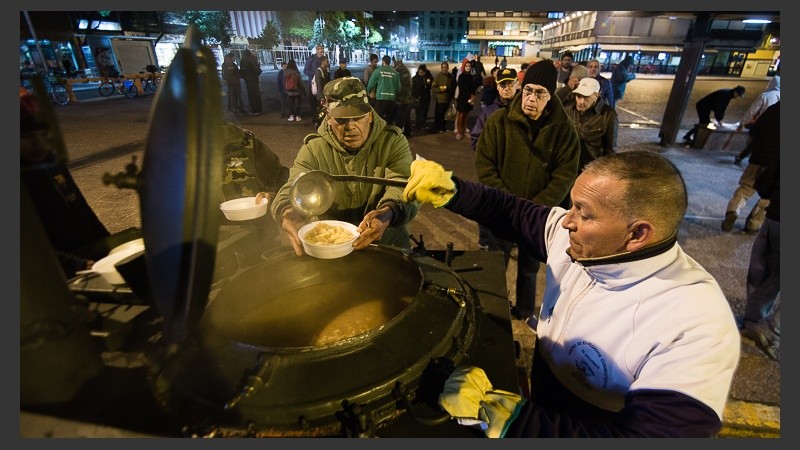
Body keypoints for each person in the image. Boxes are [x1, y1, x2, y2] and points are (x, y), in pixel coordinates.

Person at [401, 151, 741, 437]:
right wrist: (453, 190)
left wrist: (514, 422)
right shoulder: (586, 242)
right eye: (572, 207)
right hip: (545, 393)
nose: (566, 222)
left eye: (584, 213)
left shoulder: (698, 325)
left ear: (637, 233)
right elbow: (513, 213)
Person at [473, 59, 580, 323]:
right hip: (501, 210)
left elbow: (564, 176)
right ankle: (490, 308)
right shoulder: (499, 121)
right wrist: (507, 202)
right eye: (528, 90)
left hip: (536, 215)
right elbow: (485, 165)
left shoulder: (563, 131)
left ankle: (523, 310)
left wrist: (534, 208)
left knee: (530, 267)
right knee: (495, 262)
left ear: (550, 95)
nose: (531, 98)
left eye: (540, 93)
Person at [269, 77, 418, 256]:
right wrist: (286, 209)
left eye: (358, 117)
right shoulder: (314, 149)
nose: (351, 127)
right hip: (331, 248)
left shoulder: (392, 142)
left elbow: (403, 183)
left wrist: (387, 213)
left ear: (370, 115)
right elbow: (295, 184)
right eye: (341, 119)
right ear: (329, 118)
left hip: (387, 244)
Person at [740, 150, 780, 361]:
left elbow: (764, 183)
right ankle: (771, 330)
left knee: (765, 272)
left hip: (775, 219)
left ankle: (752, 321)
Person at [721, 101, 779, 234]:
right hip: (777, 165)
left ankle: (733, 210)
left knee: (746, 187)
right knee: (767, 197)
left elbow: (754, 131)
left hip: (759, 157)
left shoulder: (774, 109)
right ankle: (753, 225)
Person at [563, 78, 619, 171]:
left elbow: (610, 149)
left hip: (592, 168)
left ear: (596, 96)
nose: (581, 101)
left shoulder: (608, 115)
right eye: (578, 96)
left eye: (586, 97)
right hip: (570, 166)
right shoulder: (568, 110)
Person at [734, 74, 779, 165]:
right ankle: (742, 157)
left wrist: (742, 123)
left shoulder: (766, 95)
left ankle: (743, 158)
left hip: (764, 125)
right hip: (777, 128)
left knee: (756, 142)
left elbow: (752, 111)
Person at [682, 85, 746, 146]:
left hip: (706, 107)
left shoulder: (728, 95)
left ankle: (689, 136)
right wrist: (719, 119)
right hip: (702, 106)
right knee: (704, 123)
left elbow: (723, 108)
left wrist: (720, 119)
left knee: (704, 122)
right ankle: (693, 138)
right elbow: (717, 107)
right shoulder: (725, 94)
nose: (737, 97)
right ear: (736, 92)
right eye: (738, 95)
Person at [367, 55, 400, 124]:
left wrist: (368, 91)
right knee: (389, 120)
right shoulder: (395, 73)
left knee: (378, 120)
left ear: (383, 61)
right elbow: (398, 88)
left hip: (380, 99)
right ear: (390, 62)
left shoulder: (378, 71)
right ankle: (389, 133)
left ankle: (380, 133)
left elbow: (371, 84)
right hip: (391, 99)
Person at [454, 59, 477, 140]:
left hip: (469, 99)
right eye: (466, 66)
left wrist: (473, 96)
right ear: (464, 67)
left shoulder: (471, 77)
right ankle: (459, 132)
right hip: (462, 99)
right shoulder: (461, 76)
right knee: (461, 115)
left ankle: (464, 131)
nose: (468, 67)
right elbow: (462, 88)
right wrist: (469, 97)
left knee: (466, 116)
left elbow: (473, 88)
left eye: (469, 66)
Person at [430, 61, 454, 133]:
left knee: (446, 115)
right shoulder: (438, 76)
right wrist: (440, 89)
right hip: (440, 99)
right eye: (443, 67)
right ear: (441, 68)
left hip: (448, 98)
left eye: (445, 67)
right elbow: (433, 87)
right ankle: (439, 128)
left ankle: (443, 127)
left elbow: (452, 86)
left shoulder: (450, 76)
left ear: (448, 68)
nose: (444, 69)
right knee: (440, 114)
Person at [393, 58, 413, 137]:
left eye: (394, 63)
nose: (393, 65)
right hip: (406, 98)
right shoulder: (403, 69)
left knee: (400, 117)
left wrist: (396, 94)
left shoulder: (401, 71)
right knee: (406, 116)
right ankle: (408, 132)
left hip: (403, 99)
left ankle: (399, 134)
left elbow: (402, 87)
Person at [239, 49, 262, 115]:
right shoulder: (253, 59)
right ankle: (259, 109)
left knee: (252, 96)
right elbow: (259, 70)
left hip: (249, 81)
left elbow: (242, 72)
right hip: (255, 80)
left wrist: (245, 77)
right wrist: (255, 76)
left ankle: (254, 110)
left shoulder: (244, 61)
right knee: (257, 95)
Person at [304, 44, 326, 112]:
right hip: (313, 83)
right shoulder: (311, 59)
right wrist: (315, 74)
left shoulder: (324, 59)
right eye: (320, 52)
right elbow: (305, 70)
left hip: (323, 83)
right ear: (316, 51)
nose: (322, 53)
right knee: (313, 99)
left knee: (322, 100)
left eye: (322, 52)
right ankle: (314, 113)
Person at [411, 64, 433, 131]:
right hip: (418, 98)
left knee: (425, 112)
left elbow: (431, 84)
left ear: (425, 72)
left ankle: (423, 124)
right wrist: (415, 96)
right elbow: (412, 88)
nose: (421, 74)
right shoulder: (415, 78)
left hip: (426, 98)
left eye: (422, 72)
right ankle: (418, 125)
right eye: (420, 72)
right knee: (418, 112)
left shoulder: (429, 77)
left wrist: (429, 83)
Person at [311, 55, 331, 127]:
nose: (328, 63)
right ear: (322, 62)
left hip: (325, 93)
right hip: (321, 95)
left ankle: (322, 123)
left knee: (325, 109)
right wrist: (322, 97)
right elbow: (319, 85)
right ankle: (316, 122)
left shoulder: (326, 70)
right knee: (320, 109)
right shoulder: (318, 71)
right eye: (327, 62)